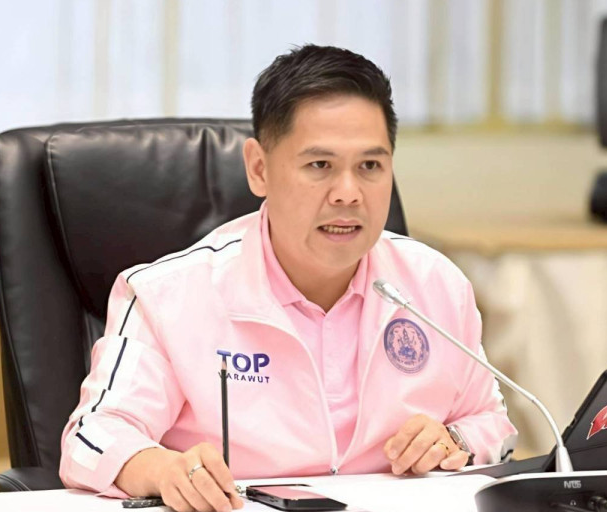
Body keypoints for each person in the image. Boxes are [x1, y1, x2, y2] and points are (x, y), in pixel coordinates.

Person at [59, 44, 517, 512]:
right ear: (259, 169)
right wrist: (162, 470)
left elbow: (493, 424)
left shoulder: (435, 284)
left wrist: (454, 440)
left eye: (370, 166)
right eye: (320, 165)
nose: (348, 193)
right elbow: (92, 436)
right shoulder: (168, 294)